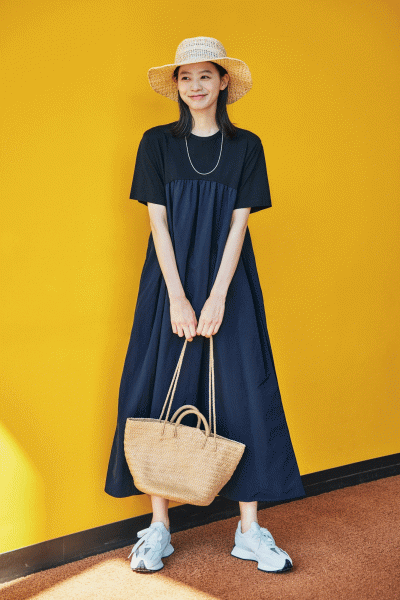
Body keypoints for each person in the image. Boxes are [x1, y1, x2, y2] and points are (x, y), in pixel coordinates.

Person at [104, 36, 306, 574]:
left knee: (243, 394)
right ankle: (159, 529)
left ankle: (249, 530)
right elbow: (158, 222)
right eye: (186, 77)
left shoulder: (247, 147)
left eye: (205, 76)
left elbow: (239, 226)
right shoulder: (156, 143)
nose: (195, 85)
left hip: (229, 285)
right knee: (159, 393)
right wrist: (177, 295)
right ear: (177, 85)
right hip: (167, 284)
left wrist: (217, 296)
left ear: (223, 83)